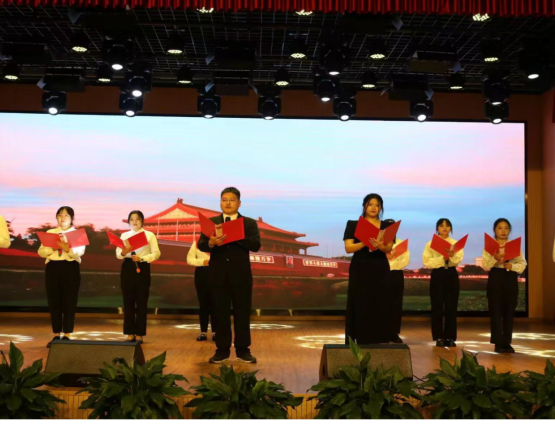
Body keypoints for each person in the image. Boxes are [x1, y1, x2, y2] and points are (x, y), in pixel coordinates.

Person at [198, 187, 261, 364]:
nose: (227, 203)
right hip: (218, 276)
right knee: (220, 315)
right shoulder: (212, 222)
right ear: (220, 202)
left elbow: (256, 245)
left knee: (242, 314)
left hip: (241, 276)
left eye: (232, 200)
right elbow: (202, 244)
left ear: (239, 203)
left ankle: (243, 350)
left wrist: (236, 236)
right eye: (224, 199)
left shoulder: (248, 223)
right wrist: (211, 242)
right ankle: (222, 350)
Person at [343, 194, 394, 345]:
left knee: (380, 300)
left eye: (377, 205)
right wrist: (364, 243)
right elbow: (348, 248)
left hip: (379, 266)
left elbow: (388, 248)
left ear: (381, 208)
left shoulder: (386, 226)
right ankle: (357, 337)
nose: (373, 208)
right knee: (359, 299)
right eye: (370, 204)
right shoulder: (353, 224)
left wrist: (380, 246)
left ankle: (379, 337)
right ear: (364, 206)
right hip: (360, 266)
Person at [38, 207, 86, 347]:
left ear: (72, 218)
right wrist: (51, 248)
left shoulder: (77, 234)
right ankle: (56, 335)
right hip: (53, 267)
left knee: (69, 300)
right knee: (54, 301)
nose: (62, 218)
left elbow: (80, 252)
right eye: (60, 215)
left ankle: (67, 334)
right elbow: (41, 252)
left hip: (70, 267)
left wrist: (67, 248)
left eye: (66, 215)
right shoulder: (50, 233)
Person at [483, 218, 527, 354]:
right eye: (500, 228)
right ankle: (498, 342)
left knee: (509, 310)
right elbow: (485, 265)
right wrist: (495, 259)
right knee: (495, 310)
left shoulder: (514, 246)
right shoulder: (489, 246)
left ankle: (507, 342)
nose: (503, 231)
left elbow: (523, 263)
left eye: (506, 228)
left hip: (510, 277)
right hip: (496, 276)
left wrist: (512, 266)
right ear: (494, 230)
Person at [116, 211, 161, 344]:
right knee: (128, 301)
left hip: (142, 267)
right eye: (132, 219)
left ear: (142, 221)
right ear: (129, 221)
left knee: (141, 301)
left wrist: (142, 258)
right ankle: (130, 333)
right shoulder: (124, 235)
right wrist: (124, 252)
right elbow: (118, 254)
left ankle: (140, 333)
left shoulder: (149, 235)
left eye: (137, 219)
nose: (134, 221)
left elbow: (156, 253)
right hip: (128, 267)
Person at [422, 219, 463, 348]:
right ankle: (438, 337)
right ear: (437, 228)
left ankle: (450, 337)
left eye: (447, 226)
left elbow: (458, 260)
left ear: (450, 228)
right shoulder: (430, 243)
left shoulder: (455, 243)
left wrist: (451, 257)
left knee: (451, 306)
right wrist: (442, 258)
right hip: (437, 274)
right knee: (437, 306)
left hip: (451, 273)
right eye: (441, 226)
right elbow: (426, 261)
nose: (444, 228)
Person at [384, 219, 410, 344]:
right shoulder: (379, 243)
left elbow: (405, 260)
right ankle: (380, 332)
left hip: (396, 274)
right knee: (381, 304)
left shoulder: (401, 243)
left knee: (396, 304)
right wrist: (386, 258)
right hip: (381, 274)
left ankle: (394, 334)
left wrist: (392, 260)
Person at [187, 239, 215, 342]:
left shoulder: (220, 241)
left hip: (217, 273)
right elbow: (189, 259)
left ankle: (215, 332)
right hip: (202, 273)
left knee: (216, 304)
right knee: (203, 304)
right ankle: (203, 332)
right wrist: (202, 262)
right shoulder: (198, 242)